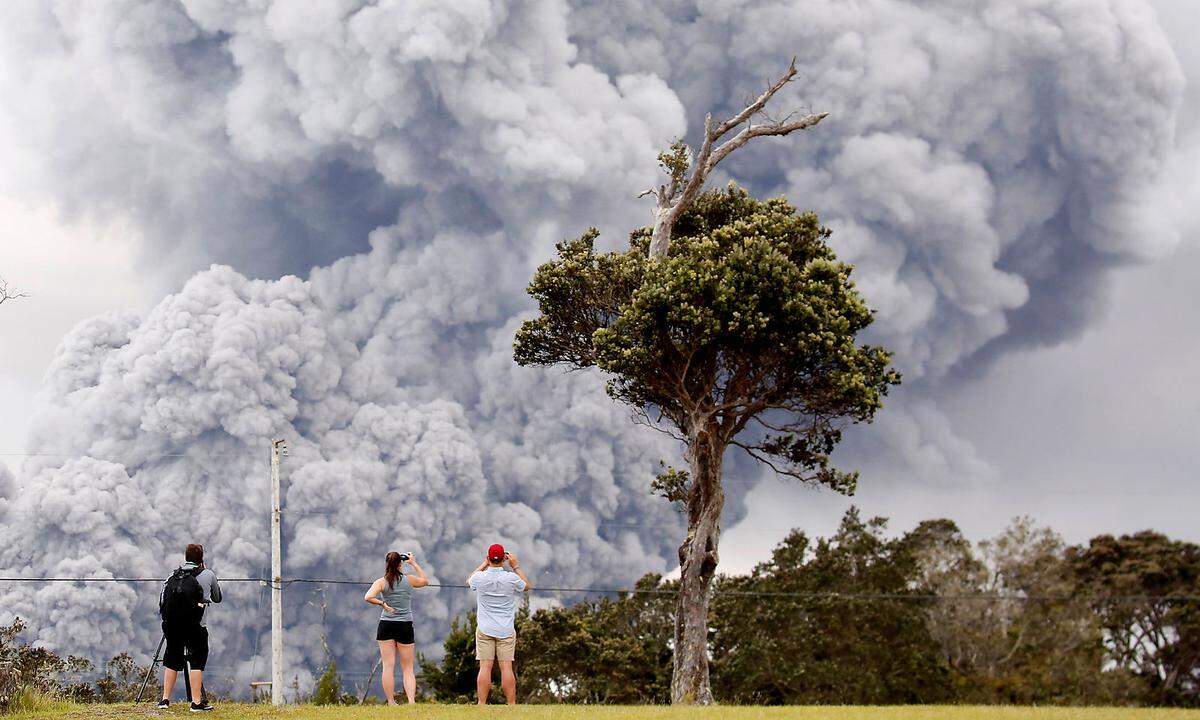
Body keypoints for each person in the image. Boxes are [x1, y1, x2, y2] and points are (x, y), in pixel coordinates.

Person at [158, 543, 221, 711]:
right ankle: (196, 702)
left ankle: (164, 700)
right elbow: (217, 597)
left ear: (185, 557)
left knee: (171, 660)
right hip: (197, 626)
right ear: (201, 559)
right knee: (197, 662)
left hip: (173, 627)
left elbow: (163, 599)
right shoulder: (208, 574)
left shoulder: (173, 575)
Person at [467, 543, 530, 705]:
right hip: (506, 629)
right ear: (504, 559)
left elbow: (469, 580)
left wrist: (484, 564)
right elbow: (526, 586)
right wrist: (515, 566)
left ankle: (481, 703)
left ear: (489, 558)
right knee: (506, 668)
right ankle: (511, 704)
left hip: (485, 628)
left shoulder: (480, 578)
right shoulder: (511, 578)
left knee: (485, 667)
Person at [364, 551, 429, 704]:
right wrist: (413, 563)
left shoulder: (381, 582)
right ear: (400, 564)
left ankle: (391, 702)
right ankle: (411, 702)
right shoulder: (409, 580)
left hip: (386, 624)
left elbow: (368, 597)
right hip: (405, 625)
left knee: (388, 666)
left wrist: (382, 604)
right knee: (408, 668)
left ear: (386, 564)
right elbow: (425, 581)